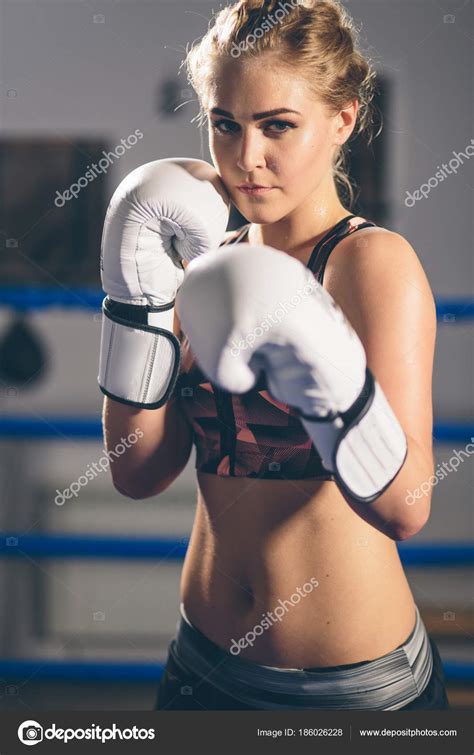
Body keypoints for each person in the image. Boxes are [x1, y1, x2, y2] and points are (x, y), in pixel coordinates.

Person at [99, 0, 449, 711]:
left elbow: (408, 508)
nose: (245, 157)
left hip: (350, 688)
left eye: (277, 126)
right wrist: (138, 306)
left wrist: (331, 376)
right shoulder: (201, 265)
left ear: (343, 120)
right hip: (200, 662)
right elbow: (138, 471)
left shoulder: (372, 264)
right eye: (225, 123)